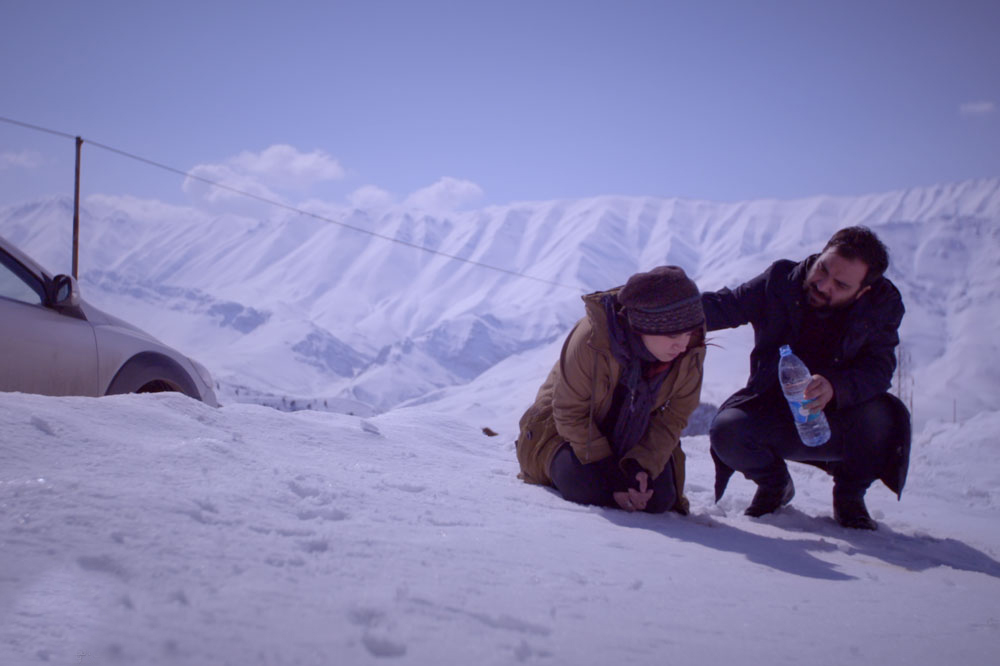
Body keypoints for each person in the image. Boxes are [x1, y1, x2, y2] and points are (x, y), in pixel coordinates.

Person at [702, 226, 911, 530]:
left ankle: (850, 496)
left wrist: (835, 387)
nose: (823, 284)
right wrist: (652, 308)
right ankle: (775, 485)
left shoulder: (882, 304)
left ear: (862, 290)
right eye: (822, 269)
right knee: (728, 431)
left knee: (883, 417)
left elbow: (879, 369)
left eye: (840, 284)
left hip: (841, 417)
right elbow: (724, 307)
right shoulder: (780, 281)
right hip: (775, 410)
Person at [516, 266, 706, 514]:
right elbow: (569, 412)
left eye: (688, 333)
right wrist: (613, 474)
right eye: (672, 335)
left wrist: (640, 467)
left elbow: (674, 417)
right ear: (643, 327)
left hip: (635, 437)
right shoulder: (592, 339)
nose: (682, 344)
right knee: (589, 490)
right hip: (563, 430)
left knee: (659, 499)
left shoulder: (689, 347)